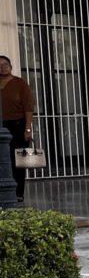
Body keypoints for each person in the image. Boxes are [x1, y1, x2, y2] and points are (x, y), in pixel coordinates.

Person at [0, 55, 36, 202]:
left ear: (11, 66)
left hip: (18, 125)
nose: (2, 67)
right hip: (1, 125)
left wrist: (28, 129)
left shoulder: (20, 83)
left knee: (18, 160)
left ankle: (18, 193)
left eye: (5, 64)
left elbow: (28, 107)